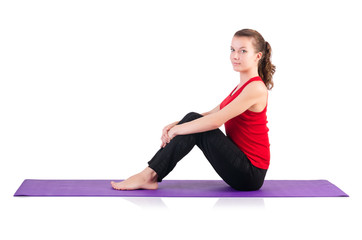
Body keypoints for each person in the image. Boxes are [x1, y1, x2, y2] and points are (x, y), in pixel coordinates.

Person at [111, 29, 276, 191]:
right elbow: (212, 114)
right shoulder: (241, 87)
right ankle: (149, 174)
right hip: (241, 166)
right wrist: (176, 124)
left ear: (258, 56)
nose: (235, 56)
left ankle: (149, 175)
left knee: (198, 124)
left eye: (243, 51)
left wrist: (179, 130)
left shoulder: (255, 88)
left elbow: (215, 121)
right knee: (193, 117)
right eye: (232, 50)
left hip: (250, 173)